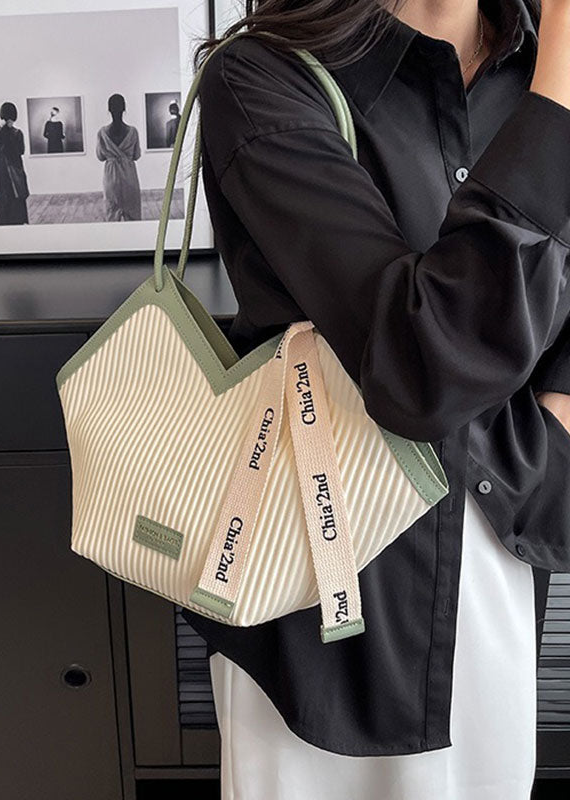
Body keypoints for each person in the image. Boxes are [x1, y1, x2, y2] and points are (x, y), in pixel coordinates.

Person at [181, 0, 570, 797]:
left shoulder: (544, 71)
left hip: (494, 562)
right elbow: (420, 363)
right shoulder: (262, 76)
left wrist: (559, 414)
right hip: (313, 584)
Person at [96, 93, 142, 221]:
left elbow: (100, 156)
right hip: (129, 175)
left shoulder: (102, 133)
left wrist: (112, 155)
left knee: (111, 213)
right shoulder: (133, 131)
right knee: (133, 214)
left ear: (109, 109)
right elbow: (136, 155)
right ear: (124, 108)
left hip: (111, 176)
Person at [0, 101, 29, 225]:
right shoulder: (16, 133)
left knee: (4, 200)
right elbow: (20, 151)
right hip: (13, 171)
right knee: (15, 199)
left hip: (0, 172)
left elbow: (1, 148)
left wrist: (4, 128)